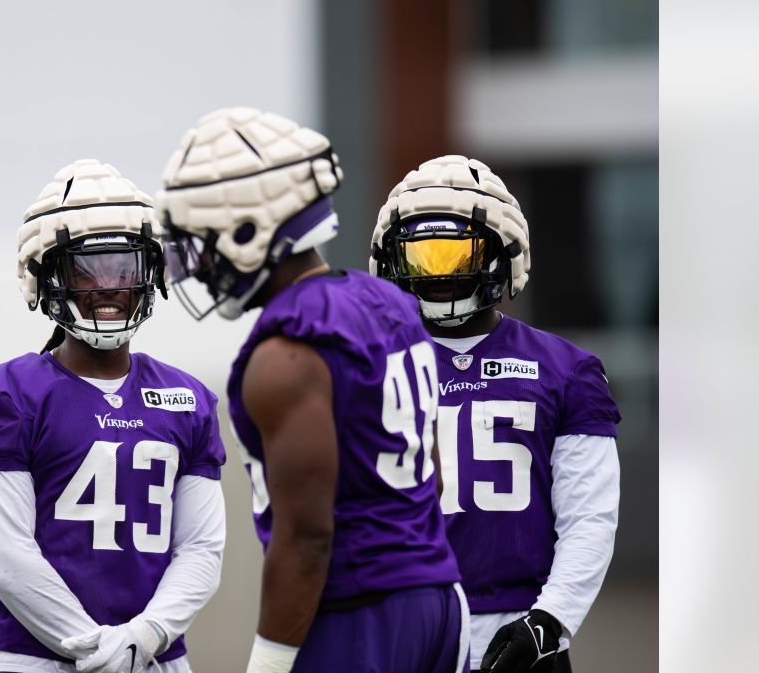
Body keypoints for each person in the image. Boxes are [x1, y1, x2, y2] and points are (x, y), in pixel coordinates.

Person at [156, 107, 468, 673]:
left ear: (246, 228)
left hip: (356, 613)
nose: (197, 265)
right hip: (440, 599)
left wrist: (269, 664)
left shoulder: (284, 353)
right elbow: (436, 475)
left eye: (201, 242)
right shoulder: (390, 303)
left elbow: (307, 538)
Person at [0, 159, 227, 673]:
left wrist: (143, 638)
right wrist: (94, 648)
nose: (107, 285)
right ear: (46, 274)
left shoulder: (187, 397)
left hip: (156, 656)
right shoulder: (8, 395)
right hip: (41, 660)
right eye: (87, 268)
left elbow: (201, 550)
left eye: (123, 266)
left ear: (150, 272)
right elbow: (5, 556)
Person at [369, 155, 621, 672]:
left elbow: (590, 517)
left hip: (520, 628)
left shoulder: (566, 369)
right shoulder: (363, 371)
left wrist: (550, 619)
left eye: (455, 254)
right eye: (421, 257)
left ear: (502, 252)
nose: (438, 274)